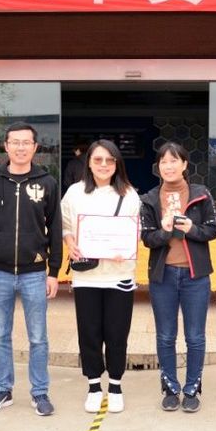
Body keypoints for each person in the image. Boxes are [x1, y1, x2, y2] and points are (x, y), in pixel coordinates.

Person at [0, 122, 62, 416]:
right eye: (15, 142)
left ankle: (40, 392)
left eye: (26, 143)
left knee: (38, 337)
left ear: (35, 147)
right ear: (6, 146)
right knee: (0, 336)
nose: (20, 147)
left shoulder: (47, 182)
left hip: (34, 273)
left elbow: (56, 228)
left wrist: (54, 271)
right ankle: (2, 389)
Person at [61, 139, 140, 413]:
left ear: (117, 163)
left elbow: (134, 232)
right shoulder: (75, 193)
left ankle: (115, 386)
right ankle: (94, 386)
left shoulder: (129, 194)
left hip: (120, 275)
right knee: (89, 333)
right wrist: (70, 241)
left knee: (117, 334)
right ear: (89, 163)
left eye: (109, 160)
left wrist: (123, 248)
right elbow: (65, 226)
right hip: (87, 277)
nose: (103, 165)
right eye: (98, 160)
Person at [141, 142, 216, 412]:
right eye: (163, 162)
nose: (169, 166)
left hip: (195, 276)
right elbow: (147, 238)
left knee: (195, 336)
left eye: (174, 161)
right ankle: (171, 388)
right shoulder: (150, 198)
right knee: (165, 335)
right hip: (162, 275)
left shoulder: (201, 193)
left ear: (185, 164)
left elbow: (213, 230)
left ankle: (192, 388)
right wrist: (164, 232)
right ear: (158, 167)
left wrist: (191, 229)